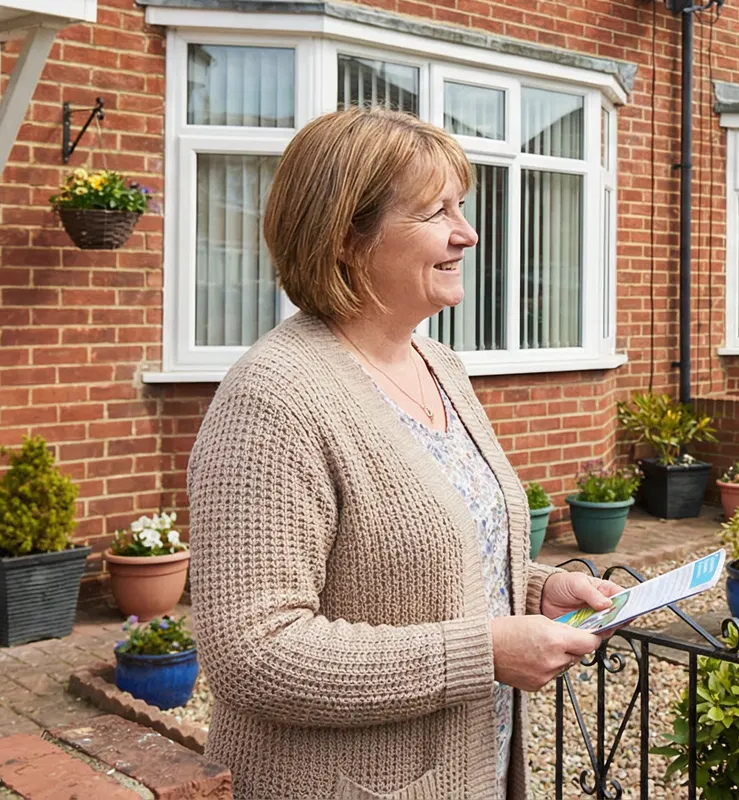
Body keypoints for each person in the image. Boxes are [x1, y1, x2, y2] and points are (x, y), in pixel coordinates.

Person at [187, 107, 620, 799]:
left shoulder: (439, 364)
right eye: (433, 212)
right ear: (345, 238)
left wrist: (535, 589)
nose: (466, 233)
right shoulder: (273, 398)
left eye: (461, 207)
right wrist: (486, 651)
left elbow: (419, 555)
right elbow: (254, 654)